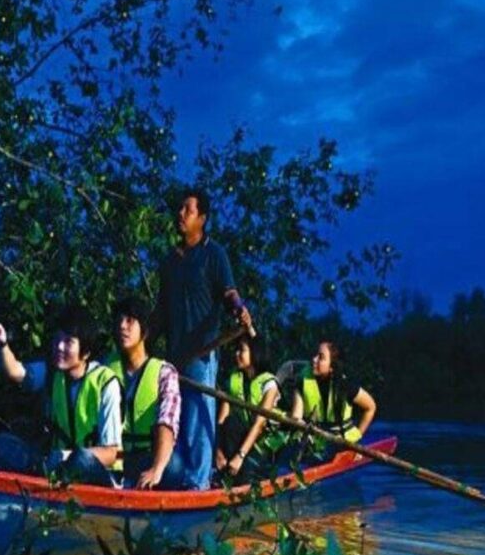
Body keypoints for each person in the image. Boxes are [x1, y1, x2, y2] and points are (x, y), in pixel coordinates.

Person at [153, 189, 252, 490]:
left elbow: (229, 293)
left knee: (198, 417)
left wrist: (239, 310)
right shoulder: (170, 260)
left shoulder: (214, 254)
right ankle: (176, 481)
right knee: (173, 419)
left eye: (188, 210)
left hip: (201, 354)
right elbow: (160, 309)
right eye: (180, 209)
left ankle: (198, 485)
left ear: (203, 218)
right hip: (173, 356)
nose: (181, 214)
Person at [0, 306, 122, 485]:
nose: (59, 347)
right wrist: (1, 345)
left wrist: (68, 457)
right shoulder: (53, 372)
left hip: (98, 474)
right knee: (3, 443)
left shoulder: (105, 383)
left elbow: (111, 453)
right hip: (56, 468)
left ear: (86, 352)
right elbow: (16, 372)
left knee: (81, 458)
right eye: (57, 339)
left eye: (68, 342)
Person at [107, 296, 185, 490]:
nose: (122, 327)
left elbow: (167, 422)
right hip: (113, 456)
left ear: (145, 331)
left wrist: (156, 469)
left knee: (174, 467)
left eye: (130, 321)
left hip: (146, 457)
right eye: (119, 321)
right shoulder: (104, 368)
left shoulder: (165, 372)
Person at [215, 334, 284, 477]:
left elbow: (260, 423)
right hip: (242, 435)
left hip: (264, 440)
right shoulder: (233, 379)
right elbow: (222, 419)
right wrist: (218, 451)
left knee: (247, 470)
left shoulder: (269, 384)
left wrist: (240, 456)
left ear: (255, 353)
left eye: (242, 350)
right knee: (230, 423)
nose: (237, 354)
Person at [291, 340, 377, 445]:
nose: (314, 359)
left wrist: (359, 435)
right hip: (317, 441)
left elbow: (370, 407)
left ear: (331, 366)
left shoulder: (346, 384)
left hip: (344, 442)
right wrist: (301, 429)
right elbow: (296, 416)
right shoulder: (302, 381)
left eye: (321, 358)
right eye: (315, 355)